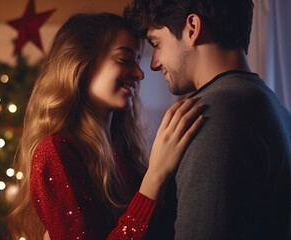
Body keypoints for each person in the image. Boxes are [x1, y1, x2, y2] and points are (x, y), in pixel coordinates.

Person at [6, 13, 206, 240]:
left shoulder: (123, 149)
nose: (140, 74)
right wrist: (156, 176)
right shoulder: (56, 152)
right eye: (124, 59)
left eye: (137, 61)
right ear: (81, 64)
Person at [124, 0, 291, 239]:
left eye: (156, 44)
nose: (154, 63)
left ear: (192, 28)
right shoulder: (274, 107)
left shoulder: (210, 117)